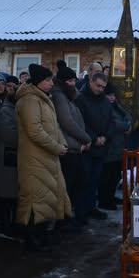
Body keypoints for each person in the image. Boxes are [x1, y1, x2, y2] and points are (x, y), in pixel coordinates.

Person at [15, 63, 71, 251]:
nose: (51, 83)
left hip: (47, 156)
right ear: (39, 81)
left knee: (45, 197)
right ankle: (31, 238)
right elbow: (35, 130)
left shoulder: (44, 98)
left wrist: (62, 142)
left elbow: (54, 126)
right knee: (34, 198)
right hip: (34, 158)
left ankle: (42, 233)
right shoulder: (30, 100)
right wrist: (56, 147)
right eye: (47, 80)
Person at [52, 60, 91, 228]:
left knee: (77, 183)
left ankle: (68, 216)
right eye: (69, 81)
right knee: (67, 186)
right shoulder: (59, 96)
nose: (73, 84)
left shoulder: (69, 95)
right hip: (68, 148)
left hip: (76, 147)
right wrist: (86, 138)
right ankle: (63, 220)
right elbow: (66, 122)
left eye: (74, 80)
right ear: (61, 82)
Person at [75, 72, 113, 221]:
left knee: (94, 180)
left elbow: (111, 120)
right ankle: (81, 211)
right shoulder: (81, 98)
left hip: (102, 146)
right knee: (83, 181)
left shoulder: (104, 99)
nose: (100, 89)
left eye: (103, 87)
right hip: (87, 146)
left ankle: (91, 207)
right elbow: (80, 122)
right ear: (90, 81)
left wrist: (106, 137)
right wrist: (93, 137)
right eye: (97, 85)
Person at [0, 72, 20, 235]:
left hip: (12, 158)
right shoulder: (6, 111)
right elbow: (9, 135)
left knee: (13, 195)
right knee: (5, 195)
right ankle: (5, 225)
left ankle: (12, 224)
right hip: (5, 158)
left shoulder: (13, 109)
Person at [101, 83, 131, 210]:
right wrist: (126, 126)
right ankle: (104, 200)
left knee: (115, 175)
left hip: (119, 146)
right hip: (110, 147)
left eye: (113, 95)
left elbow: (128, 117)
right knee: (107, 176)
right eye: (109, 95)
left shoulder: (116, 106)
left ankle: (111, 196)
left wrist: (127, 124)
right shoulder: (104, 106)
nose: (112, 98)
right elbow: (113, 123)